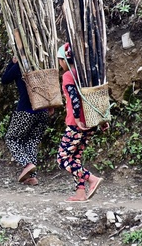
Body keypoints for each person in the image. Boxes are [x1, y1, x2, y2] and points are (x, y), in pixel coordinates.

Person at [56, 43, 103, 202]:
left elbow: (74, 99)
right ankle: (80, 193)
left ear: (64, 60)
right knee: (75, 157)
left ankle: (92, 179)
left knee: (63, 158)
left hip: (76, 124)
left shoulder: (69, 75)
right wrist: (102, 119)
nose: (59, 64)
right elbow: (98, 96)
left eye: (59, 60)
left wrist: (76, 118)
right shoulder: (87, 74)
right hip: (91, 122)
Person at [1, 56, 49, 186]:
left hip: (26, 111)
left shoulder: (20, 67)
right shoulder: (42, 63)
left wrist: (12, 62)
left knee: (11, 139)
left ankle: (27, 164)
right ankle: (31, 178)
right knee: (31, 142)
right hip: (43, 111)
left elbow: (4, 79)